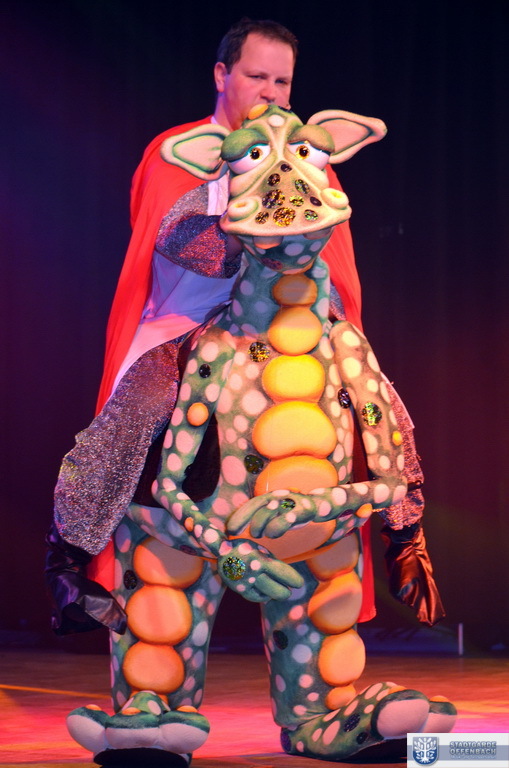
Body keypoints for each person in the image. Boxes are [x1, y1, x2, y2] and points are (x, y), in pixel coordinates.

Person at [46, 18, 439, 638]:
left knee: (377, 396)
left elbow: (328, 249)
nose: (271, 92)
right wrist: (237, 229)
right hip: (189, 322)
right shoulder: (183, 150)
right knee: (141, 402)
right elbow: (172, 234)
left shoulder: (307, 153)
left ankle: (407, 535)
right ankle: (67, 558)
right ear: (222, 75)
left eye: (282, 81)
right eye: (257, 76)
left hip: (286, 321)